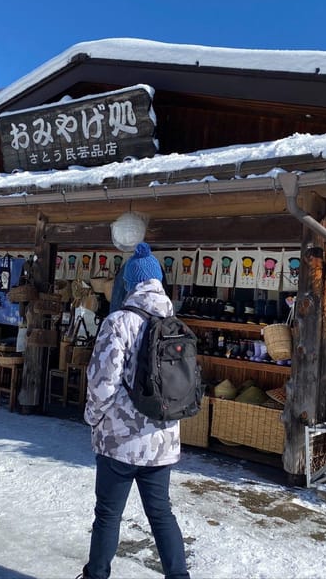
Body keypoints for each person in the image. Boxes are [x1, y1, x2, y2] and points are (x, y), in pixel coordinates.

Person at [81, 242, 190, 579]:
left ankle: (96, 575)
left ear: (130, 284)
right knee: (161, 514)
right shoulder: (173, 321)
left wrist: (93, 417)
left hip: (120, 439)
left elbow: (102, 382)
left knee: (108, 515)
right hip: (162, 439)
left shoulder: (119, 322)